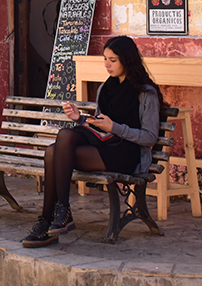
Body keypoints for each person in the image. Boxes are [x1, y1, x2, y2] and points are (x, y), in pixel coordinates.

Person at [22, 35, 164, 248]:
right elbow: (99, 125)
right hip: (104, 145)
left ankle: (49, 221)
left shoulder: (146, 93)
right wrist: (79, 119)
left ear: (128, 60)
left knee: (54, 151)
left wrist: (114, 127)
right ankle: (56, 216)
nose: (107, 65)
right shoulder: (105, 89)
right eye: (105, 59)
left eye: (113, 60)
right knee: (58, 144)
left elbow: (150, 137)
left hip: (127, 154)